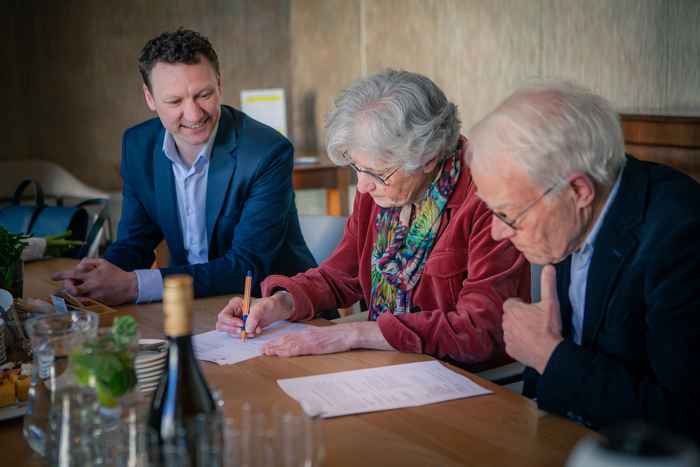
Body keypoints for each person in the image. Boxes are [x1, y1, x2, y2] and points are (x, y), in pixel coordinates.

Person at [216, 70, 530, 368]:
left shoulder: (488, 195)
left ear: (429, 158)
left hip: (463, 376)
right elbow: (342, 274)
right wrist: (279, 304)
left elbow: (478, 330)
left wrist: (354, 334)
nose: (363, 186)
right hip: (392, 363)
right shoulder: (378, 184)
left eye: (378, 174)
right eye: (356, 168)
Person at [467, 81, 700, 440]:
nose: (497, 233)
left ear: (578, 191)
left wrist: (547, 354)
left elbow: (684, 420)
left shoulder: (681, 237)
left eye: (508, 215)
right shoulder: (567, 216)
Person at [53, 29, 315, 305]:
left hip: (274, 307)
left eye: (203, 95)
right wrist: (94, 278)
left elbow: (247, 266)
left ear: (220, 84)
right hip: (191, 304)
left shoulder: (266, 151)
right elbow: (135, 242)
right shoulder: (137, 145)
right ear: (150, 98)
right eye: (174, 101)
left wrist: (134, 285)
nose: (193, 114)